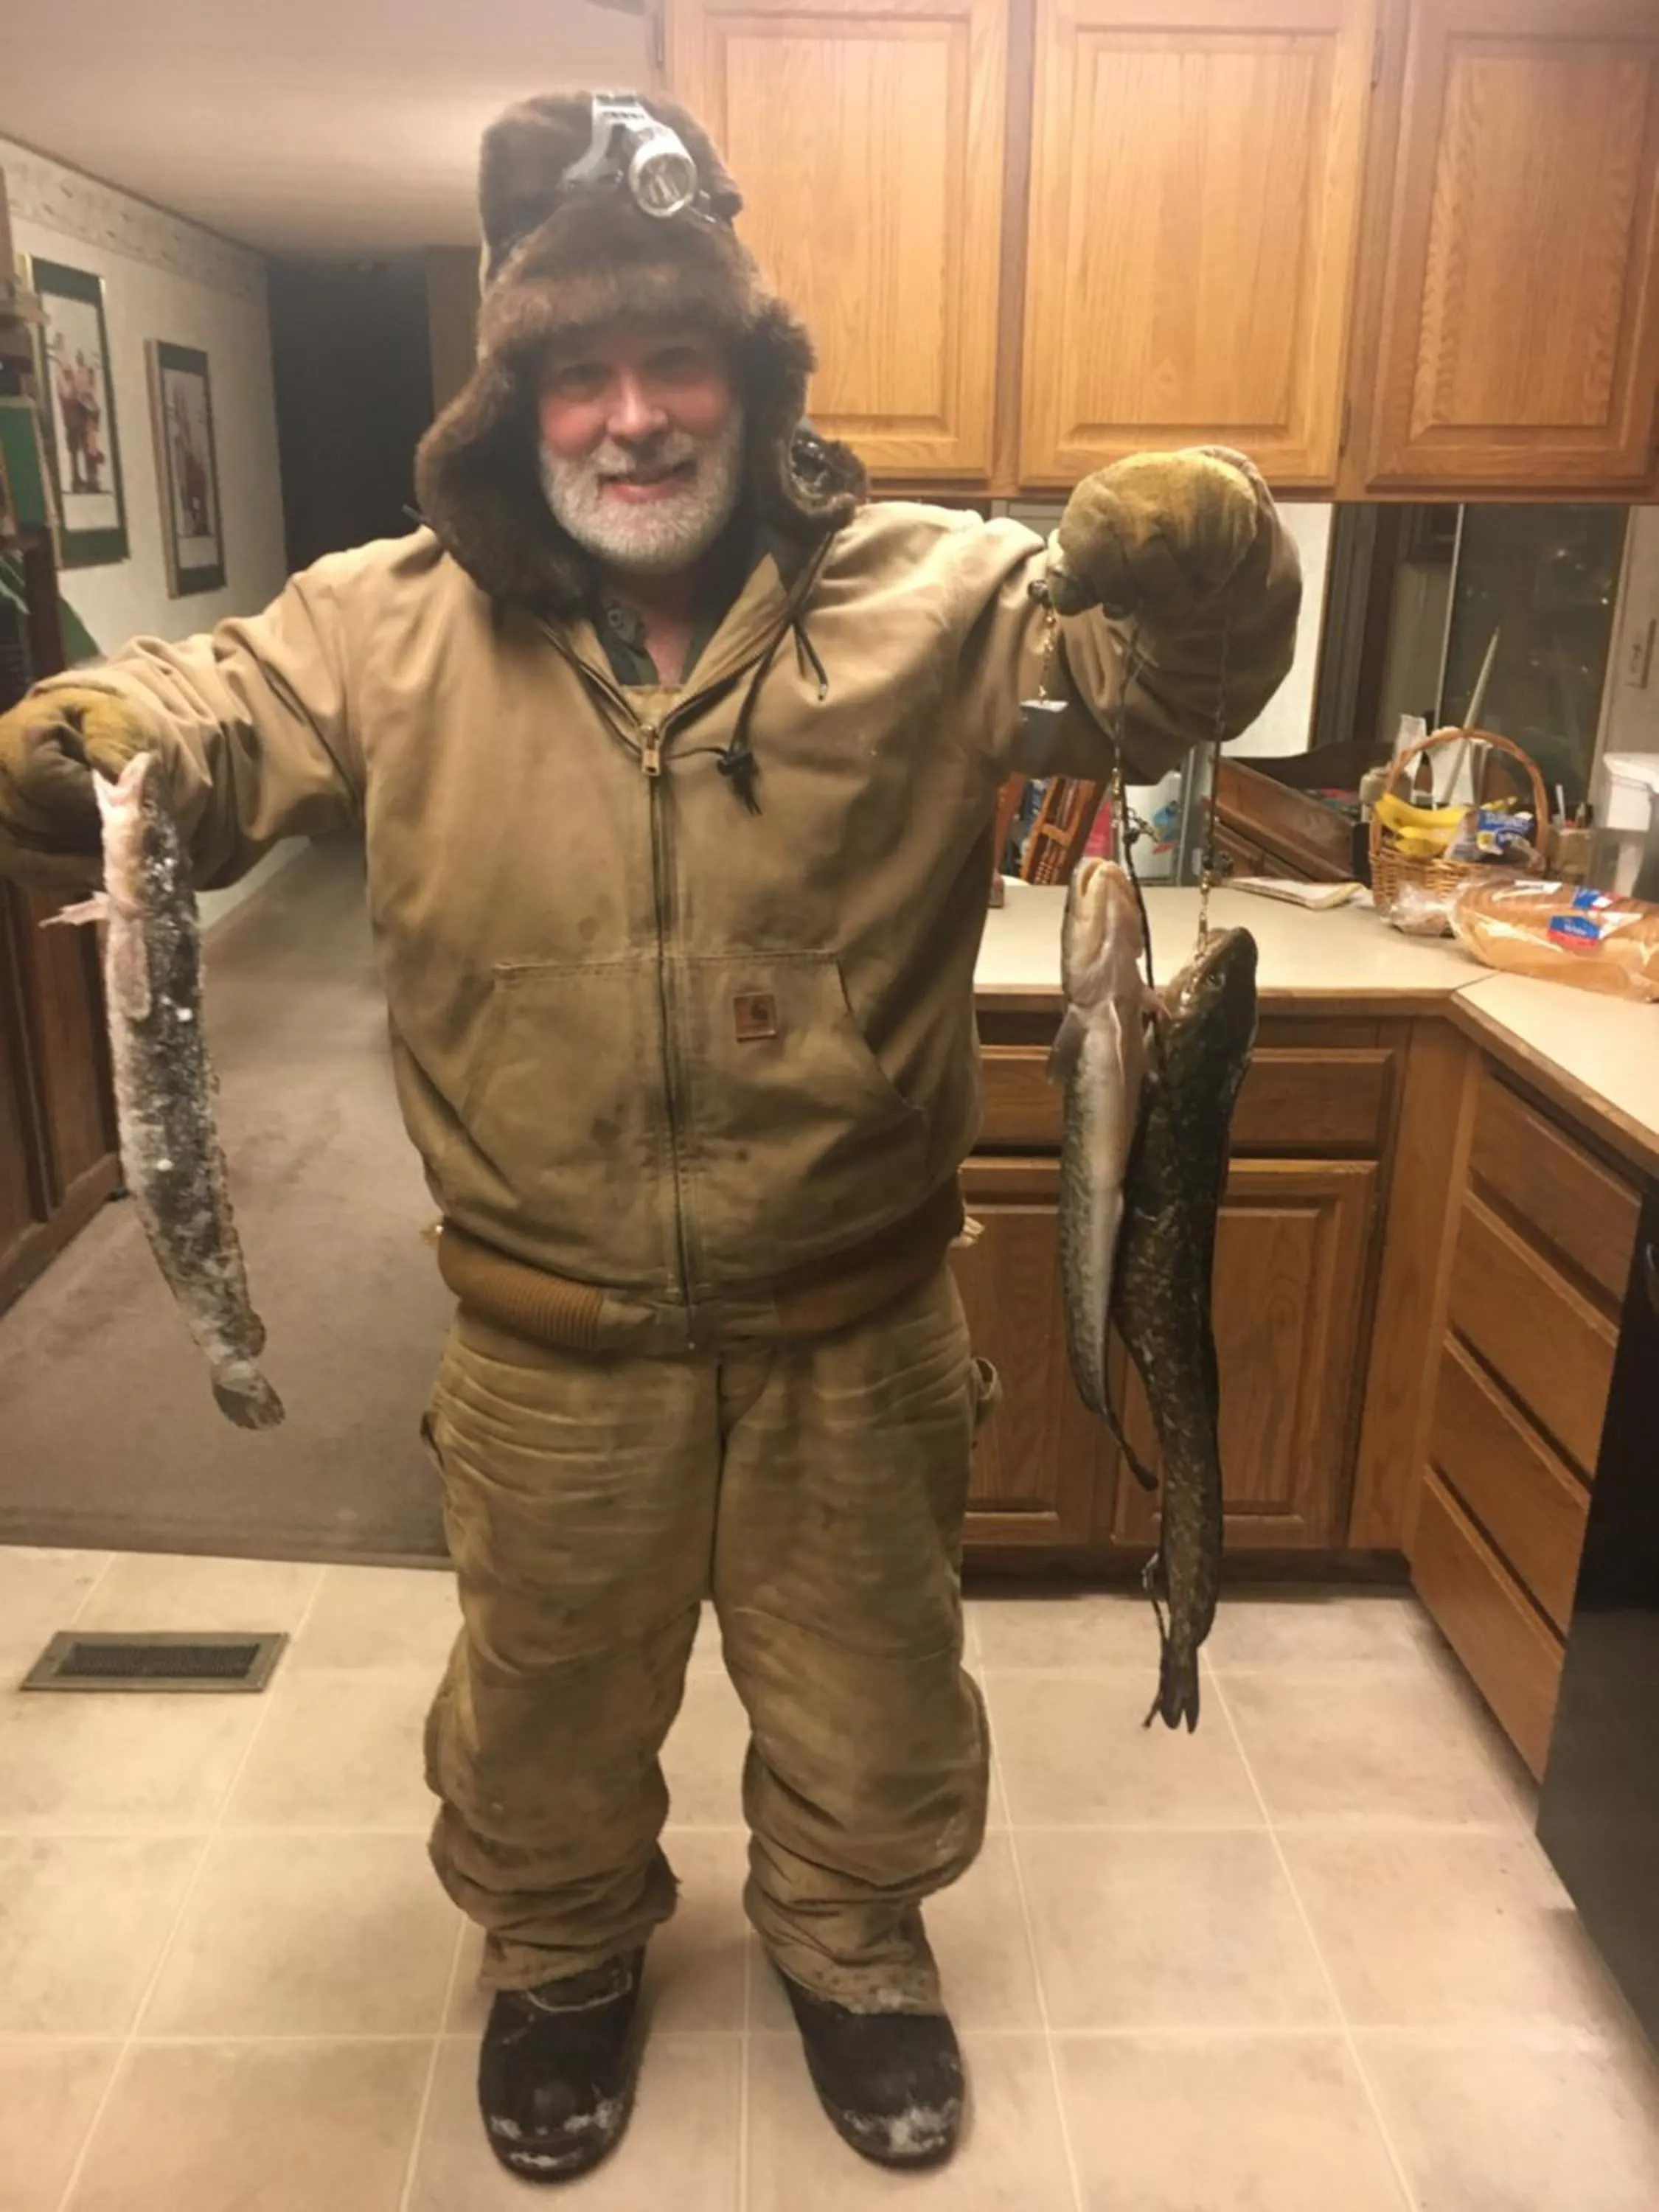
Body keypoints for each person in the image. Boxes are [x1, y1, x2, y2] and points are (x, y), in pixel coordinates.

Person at [0, 91, 1299, 2186]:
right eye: (576, 371)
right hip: (544, 1342)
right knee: (542, 1720)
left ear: (751, 373)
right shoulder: (383, 617)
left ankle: (852, 1941)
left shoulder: (940, 599)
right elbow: (216, 709)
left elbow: (1160, 688)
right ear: (513, 397)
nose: (628, 418)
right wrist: (111, 744)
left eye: (671, 358)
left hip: (859, 1334)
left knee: (874, 1700)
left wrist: (1220, 549)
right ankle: (566, 1954)